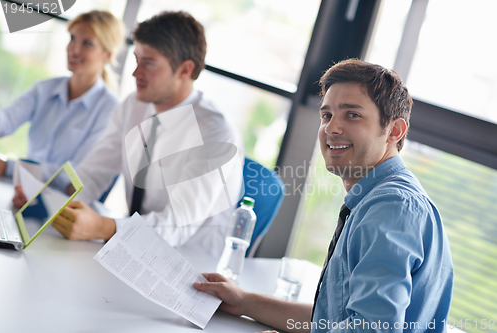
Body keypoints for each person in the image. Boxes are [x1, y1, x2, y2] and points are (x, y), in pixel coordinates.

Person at [193, 59, 454, 332]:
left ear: (394, 131)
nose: (331, 128)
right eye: (327, 115)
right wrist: (244, 302)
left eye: (352, 115)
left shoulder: (392, 207)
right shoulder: (377, 198)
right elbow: (334, 322)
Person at [49, 11, 244, 257]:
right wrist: (54, 203)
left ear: (185, 69)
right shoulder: (134, 105)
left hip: (187, 265)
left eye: (149, 63)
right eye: (136, 59)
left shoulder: (217, 133)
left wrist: (104, 226)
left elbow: (177, 225)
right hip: (130, 251)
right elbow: (92, 173)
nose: (135, 73)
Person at [0, 10, 124, 192]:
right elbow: (4, 123)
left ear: (107, 55)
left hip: (61, 204)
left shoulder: (111, 109)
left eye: (87, 43)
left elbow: (75, 174)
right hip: (22, 191)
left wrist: (9, 167)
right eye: (72, 38)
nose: (74, 49)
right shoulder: (44, 89)